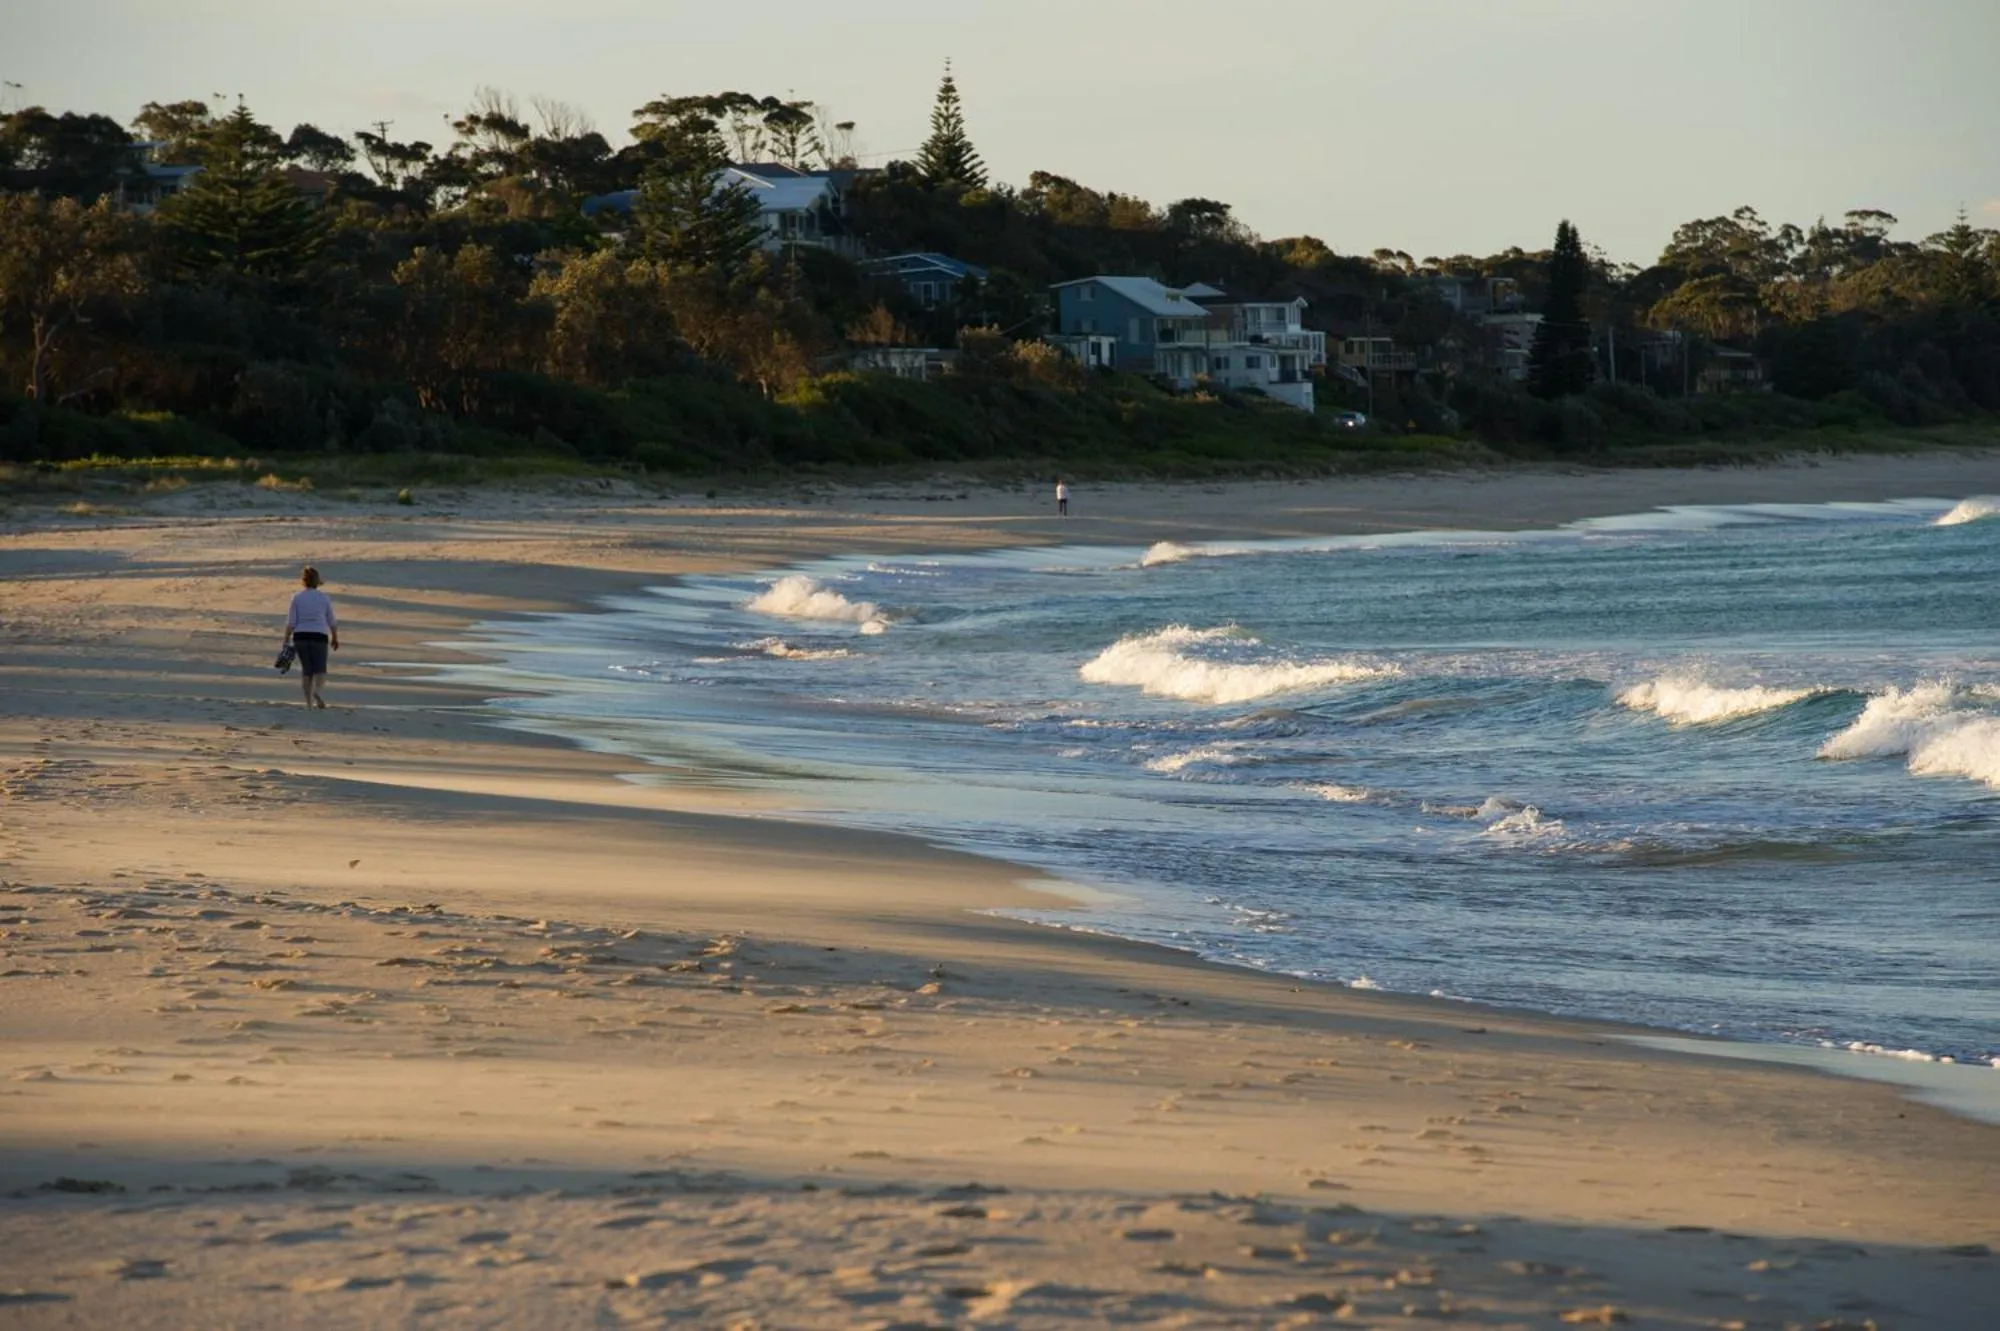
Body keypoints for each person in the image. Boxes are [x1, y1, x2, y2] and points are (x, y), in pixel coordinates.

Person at [283, 565, 339, 709]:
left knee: (306, 671)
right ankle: (317, 692)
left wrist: (286, 640)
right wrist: (335, 637)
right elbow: (331, 620)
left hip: (300, 636)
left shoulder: (296, 597)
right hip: (319, 635)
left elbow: (291, 621)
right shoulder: (324, 598)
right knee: (320, 670)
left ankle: (308, 704)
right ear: (317, 581)